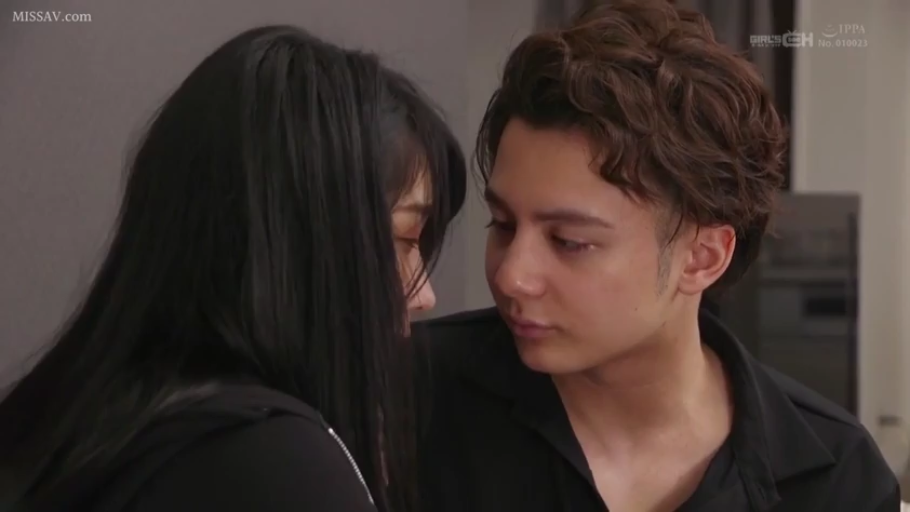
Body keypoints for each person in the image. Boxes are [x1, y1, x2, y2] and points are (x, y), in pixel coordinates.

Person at [414, 1, 899, 511]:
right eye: (504, 225)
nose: (512, 275)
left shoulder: (836, 480)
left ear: (702, 257)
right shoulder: (407, 397)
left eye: (569, 241)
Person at [0, 25, 465, 512]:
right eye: (407, 238)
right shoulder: (279, 467)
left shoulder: (79, 428)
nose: (424, 294)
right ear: (304, 240)